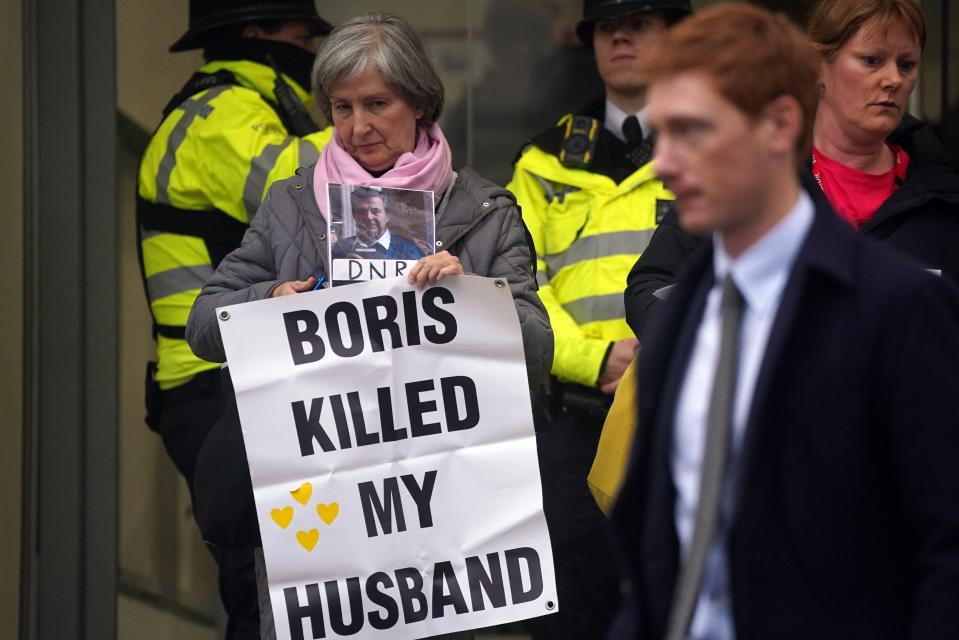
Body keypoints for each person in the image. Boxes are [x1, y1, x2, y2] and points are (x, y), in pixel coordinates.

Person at [184, 13, 553, 640]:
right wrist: (274, 296)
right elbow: (203, 323)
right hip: (325, 526)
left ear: (420, 102)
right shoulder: (292, 203)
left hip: (446, 523)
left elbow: (537, 349)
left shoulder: (485, 211)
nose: (359, 127)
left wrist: (468, 298)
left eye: (378, 104)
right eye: (342, 107)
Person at [609, 4, 959, 639]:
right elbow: (663, 540)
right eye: (661, 134)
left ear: (778, 125)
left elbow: (946, 546)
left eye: (692, 132)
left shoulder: (900, 308)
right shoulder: (685, 310)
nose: (662, 163)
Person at [136, 1, 332, 636]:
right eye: (306, 39)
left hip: (225, 384)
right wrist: (380, 111)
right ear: (257, 37)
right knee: (268, 588)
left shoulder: (244, 108)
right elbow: (306, 189)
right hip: (214, 384)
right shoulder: (220, 113)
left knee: (289, 584)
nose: (314, 55)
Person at [506, 1, 691, 637]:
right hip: (571, 413)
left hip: (679, 414)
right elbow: (513, 286)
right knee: (564, 611)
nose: (620, 35)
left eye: (639, 21)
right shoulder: (543, 159)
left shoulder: (716, 140)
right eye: (606, 26)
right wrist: (595, 358)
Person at [624, 0, 959, 337]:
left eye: (907, 64)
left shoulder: (942, 200)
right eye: (872, 61)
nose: (893, 79)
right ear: (819, 66)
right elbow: (650, 288)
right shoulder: (749, 177)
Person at [331, 186, 426, 260]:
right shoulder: (340, 248)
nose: (369, 217)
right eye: (362, 212)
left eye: (375, 211)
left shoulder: (409, 249)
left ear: (387, 216)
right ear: (354, 216)